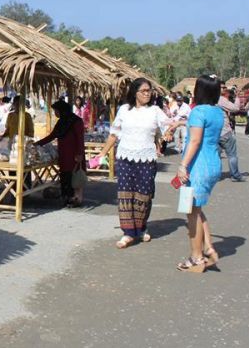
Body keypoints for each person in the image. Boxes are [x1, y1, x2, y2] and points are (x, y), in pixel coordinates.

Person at [95, 78, 178, 249]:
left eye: (149, 91)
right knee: (125, 195)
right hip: (125, 158)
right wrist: (102, 153)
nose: (147, 94)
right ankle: (128, 232)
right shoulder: (124, 110)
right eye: (144, 91)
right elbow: (114, 134)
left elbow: (168, 126)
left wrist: (170, 131)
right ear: (135, 93)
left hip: (147, 159)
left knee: (144, 195)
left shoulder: (155, 111)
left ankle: (141, 227)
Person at [175, 76, 225, 272]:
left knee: (191, 211)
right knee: (197, 208)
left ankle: (196, 257)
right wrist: (178, 124)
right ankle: (208, 248)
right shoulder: (218, 112)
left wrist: (182, 165)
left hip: (198, 166)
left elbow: (195, 141)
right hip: (213, 163)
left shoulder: (198, 112)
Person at [35, 100, 86, 207]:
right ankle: (66, 198)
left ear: (62, 110)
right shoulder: (61, 122)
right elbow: (52, 136)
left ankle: (75, 199)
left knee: (73, 177)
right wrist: (37, 144)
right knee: (65, 176)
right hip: (63, 155)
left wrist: (79, 154)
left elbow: (80, 139)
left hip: (74, 155)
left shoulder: (76, 121)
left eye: (56, 111)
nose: (55, 113)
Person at [217, 83, 244, 181]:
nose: (225, 89)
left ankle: (216, 174)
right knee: (232, 155)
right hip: (224, 131)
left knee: (216, 156)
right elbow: (235, 108)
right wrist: (237, 97)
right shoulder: (220, 99)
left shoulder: (208, 99)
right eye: (223, 87)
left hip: (213, 132)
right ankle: (235, 175)